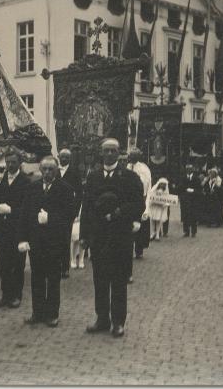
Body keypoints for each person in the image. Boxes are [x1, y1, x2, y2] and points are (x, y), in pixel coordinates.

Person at [81, 139, 144, 338]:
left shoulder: (129, 177)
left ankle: (118, 322)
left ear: (119, 153)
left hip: (119, 236)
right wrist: (84, 236)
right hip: (99, 237)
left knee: (118, 280)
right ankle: (102, 318)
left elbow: (138, 205)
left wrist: (119, 213)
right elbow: (87, 208)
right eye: (106, 151)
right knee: (99, 280)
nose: (109, 154)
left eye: (113, 151)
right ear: (101, 153)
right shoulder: (93, 177)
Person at [18, 156, 74, 327]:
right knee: (37, 278)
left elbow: (69, 216)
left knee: (53, 279)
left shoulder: (65, 189)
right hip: (36, 241)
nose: (48, 173)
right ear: (40, 170)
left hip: (55, 242)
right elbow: (24, 215)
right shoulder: (33, 187)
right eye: (45, 169)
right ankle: (38, 312)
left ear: (57, 170)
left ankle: (52, 314)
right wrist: (22, 238)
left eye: (51, 169)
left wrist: (51, 218)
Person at [0, 151, 30, 309]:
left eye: (13, 162)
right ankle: (5, 294)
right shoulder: (1, 178)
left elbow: (28, 207)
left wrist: (11, 210)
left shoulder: (26, 181)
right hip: (1, 228)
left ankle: (16, 295)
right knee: (2, 263)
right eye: (8, 162)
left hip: (17, 228)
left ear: (20, 163)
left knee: (17, 263)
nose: (10, 165)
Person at [57, 148, 82, 279]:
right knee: (55, 239)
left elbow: (79, 193)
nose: (64, 159)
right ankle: (55, 266)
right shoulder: (54, 171)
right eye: (62, 156)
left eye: (67, 157)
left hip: (67, 211)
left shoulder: (74, 172)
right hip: (55, 211)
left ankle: (65, 268)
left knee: (65, 239)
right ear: (58, 157)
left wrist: (75, 210)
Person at [127, 149, 151, 261]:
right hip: (128, 199)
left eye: (132, 156)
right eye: (130, 156)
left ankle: (139, 250)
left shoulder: (143, 169)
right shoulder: (127, 166)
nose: (130, 158)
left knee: (140, 225)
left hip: (140, 198)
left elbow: (145, 184)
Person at [179, 164, 201, 238]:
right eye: (187, 169)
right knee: (185, 216)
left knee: (193, 216)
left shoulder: (196, 178)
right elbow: (180, 188)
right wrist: (185, 191)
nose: (188, 170)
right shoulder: (182, 178)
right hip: (185, 200)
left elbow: (199, 189)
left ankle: (194, 232)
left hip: (193, 200)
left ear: (192, 170)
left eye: (190, 169)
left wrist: (193, 190)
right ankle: (186, 231)